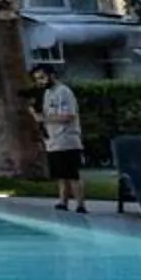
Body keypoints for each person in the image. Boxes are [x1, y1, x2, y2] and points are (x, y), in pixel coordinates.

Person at [33, 64, 85, 213]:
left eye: (42, 78)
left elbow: (68, 115)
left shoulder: (64, 92)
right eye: (37, 79)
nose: (40, 82)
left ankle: (80, 204)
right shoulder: (48, 94)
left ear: (52, 75)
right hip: (54, 140)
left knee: (72, 174)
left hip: (67, 139)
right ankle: (63, 201)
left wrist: (44, 118)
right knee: (60, 174)